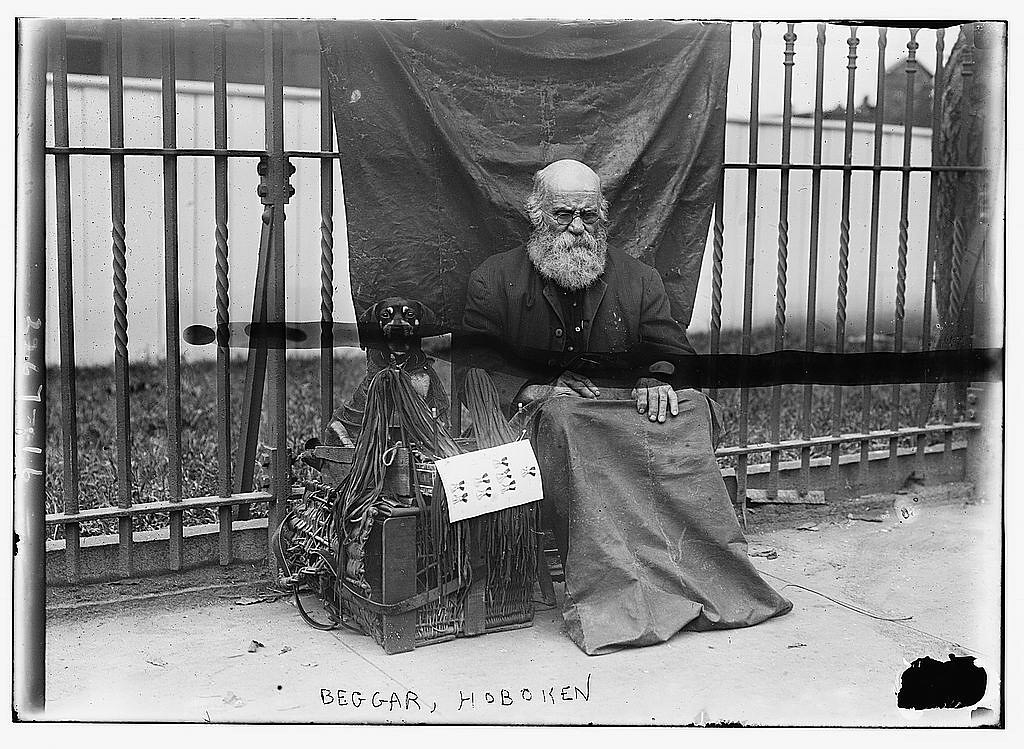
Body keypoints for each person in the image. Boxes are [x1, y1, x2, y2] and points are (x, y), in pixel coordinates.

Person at [462, 159, 792, 655]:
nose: (577, 227)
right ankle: (617, 593)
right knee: (566, 417)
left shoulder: (638, 279)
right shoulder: (494, 279)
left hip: (625, 412)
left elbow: (673, 353)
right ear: (536, 214)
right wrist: (536, 389)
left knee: (692, 408)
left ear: (603, 216)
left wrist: (657, 379)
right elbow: (474, 366)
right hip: (543, 417)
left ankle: (704, 577)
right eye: (563, 215)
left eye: (589, 216)